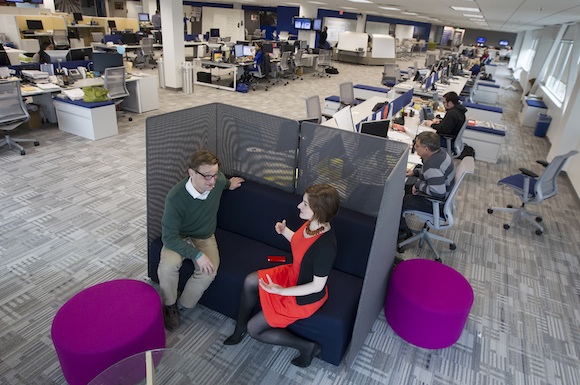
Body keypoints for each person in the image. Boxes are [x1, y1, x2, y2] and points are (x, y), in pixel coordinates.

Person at [224, 184, 340, 368]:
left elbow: (317, 286)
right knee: (250, 281)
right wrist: (284, 231)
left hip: (303, 296)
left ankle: (307, 347)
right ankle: (240, 328)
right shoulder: (312, 224)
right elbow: (300, 243)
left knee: (255, 330)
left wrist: (282, 292)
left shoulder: (326, 247)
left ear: (318, 211)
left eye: (305, 204)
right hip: (293, 274)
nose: (298, 207)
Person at [158, 150, 245, 331]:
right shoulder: (175, 198)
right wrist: (196, 254)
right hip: (179, 237)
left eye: (214, 174)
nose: (212, 181)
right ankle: (169, 306)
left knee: (209, 271)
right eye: (206, 176)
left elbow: (223, 182)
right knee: (168, 265)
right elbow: (168, 237)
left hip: (204, 235)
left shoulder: (217, 181)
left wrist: (230, 184)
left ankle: (182, 305)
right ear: (191, 173)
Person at [399, 132, 455, 241]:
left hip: (436, 203)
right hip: (444, 196)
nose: (415, 147)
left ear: (426, 149)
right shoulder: (440, 153)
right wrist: (415, 172)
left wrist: (418, 185)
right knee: (406, 187)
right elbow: (433, 174)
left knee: (398, 202)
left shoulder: (431, 164)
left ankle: (404, 232)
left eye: (418, 145)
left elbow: (438, 192)